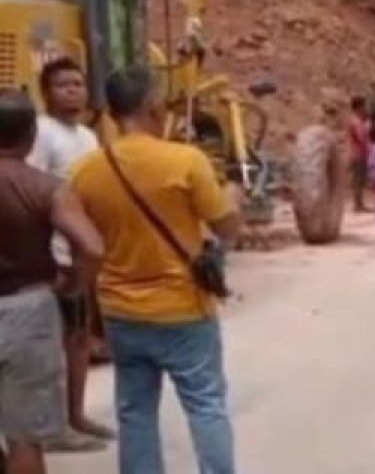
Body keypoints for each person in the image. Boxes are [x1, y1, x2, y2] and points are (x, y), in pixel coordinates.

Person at [70, 68, 242, 474]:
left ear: (110, 115)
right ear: (154, 108)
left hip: (121, 312)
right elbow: (227, 228)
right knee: (206, 406)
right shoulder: (186, 161)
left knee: (134, 412)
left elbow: (86, 245)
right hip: (183, 310)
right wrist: (233, 195)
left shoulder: (85, 171)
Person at [0, 88, 104, 474]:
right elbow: (92, 247)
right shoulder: (46, 188)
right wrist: (74, 283)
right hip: (27, 310)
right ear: (30, 135)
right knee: (24, 438)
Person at [26, 58, 112, 453]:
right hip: (54, 257)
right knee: (48, 346)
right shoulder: (42, 134)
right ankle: (51, 427)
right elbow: (33, 191)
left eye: (78, 84)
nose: (73, 91)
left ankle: (75, 414)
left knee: (79, 339)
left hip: (81, 256)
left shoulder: (88, 137)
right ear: (46, 92)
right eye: (63, 85)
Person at [347, 96, 371, 214]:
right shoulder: (356, 121)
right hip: (358, 153)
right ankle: (358, 204)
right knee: (358, 179)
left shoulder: (357, 120)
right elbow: (361, 137)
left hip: (359, 153)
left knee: (360, 180)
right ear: (359, 107)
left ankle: (360, 203)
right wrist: (367, 127)